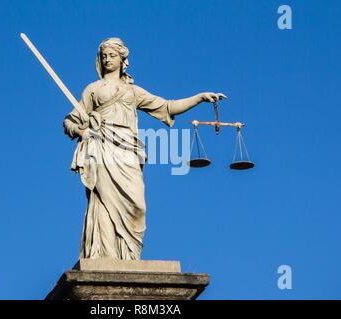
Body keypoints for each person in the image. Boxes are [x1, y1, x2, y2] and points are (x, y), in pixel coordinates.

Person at [63, 38, 225, 260]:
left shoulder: (133, 92)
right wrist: (83, 132)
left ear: (123, 59)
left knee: (137, 206)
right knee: (103, 202)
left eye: (112, 55)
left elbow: (168, 107)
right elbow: (70, 122)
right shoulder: (92, 90)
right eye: (104, 56)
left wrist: (199, 98)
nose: (107, 59)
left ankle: (129, 255)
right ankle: (106, 255)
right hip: (101, 148)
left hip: (128, 150)